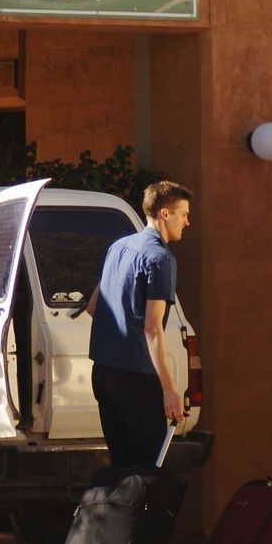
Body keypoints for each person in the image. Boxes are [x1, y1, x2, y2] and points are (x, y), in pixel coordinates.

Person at [85, 180, 193, 469]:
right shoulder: (160, 259)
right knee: (147, 471)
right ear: (165, 214)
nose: (187, 222)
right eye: (183, 214)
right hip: (136, 377)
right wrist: (170, 391)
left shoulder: (118, 248)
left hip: (104, 372)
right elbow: (152, 328)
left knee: (121, 467)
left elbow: (93, 307)